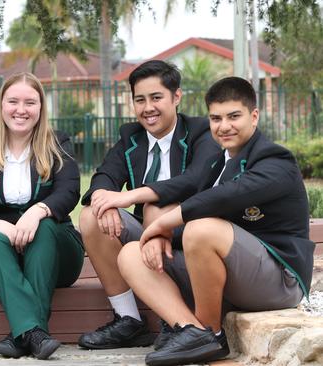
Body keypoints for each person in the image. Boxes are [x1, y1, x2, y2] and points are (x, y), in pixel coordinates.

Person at [110, 76, 314, 365]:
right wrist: (159, 237)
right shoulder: (218, 163)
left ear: (254, 116)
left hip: (278, 279)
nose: (224, 126)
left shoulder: (275, 159)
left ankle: (209, 331)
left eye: (234, 116)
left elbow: (227, 197)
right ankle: (191, 332)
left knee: (200, 229)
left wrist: (161, 224)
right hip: (232, 275)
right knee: (132, 254)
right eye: (216, 118)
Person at [77, 60, 220, 350]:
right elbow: (104, 176)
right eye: (140, 100)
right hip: (145, 237)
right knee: (93, 214)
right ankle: (128, 320)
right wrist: (105, 197)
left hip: (193, 236)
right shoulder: (131, 137)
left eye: (156, 98)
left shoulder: (201, 132)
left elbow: (194, 181)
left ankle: (174, 321)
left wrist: (131, 196)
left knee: (156, 210)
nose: (148, 108)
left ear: (176, 97)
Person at [0, 72, 84, 360]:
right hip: (1, 261)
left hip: (57, 253)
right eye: (13, 101)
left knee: (44, 228)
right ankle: (34, 334)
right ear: (1, 105)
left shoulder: (58, 143)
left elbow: (69, 192)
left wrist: (38, 211)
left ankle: (23, 332)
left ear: (41, 108)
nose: (21, 109)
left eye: (30, 102)